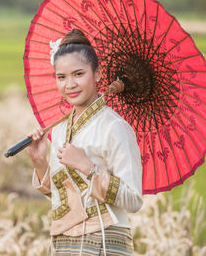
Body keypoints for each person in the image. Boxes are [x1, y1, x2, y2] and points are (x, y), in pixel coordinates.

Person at [27, 29, 143, 256]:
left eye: (78, 74)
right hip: (65, 244)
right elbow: (67, 199)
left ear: (97, 74)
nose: (70, 84)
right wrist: (40, 163)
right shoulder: (60, 130)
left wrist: (88, 167)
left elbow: (134, 199)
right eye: (61, 77)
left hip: (104, 241)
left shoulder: (114, 128)